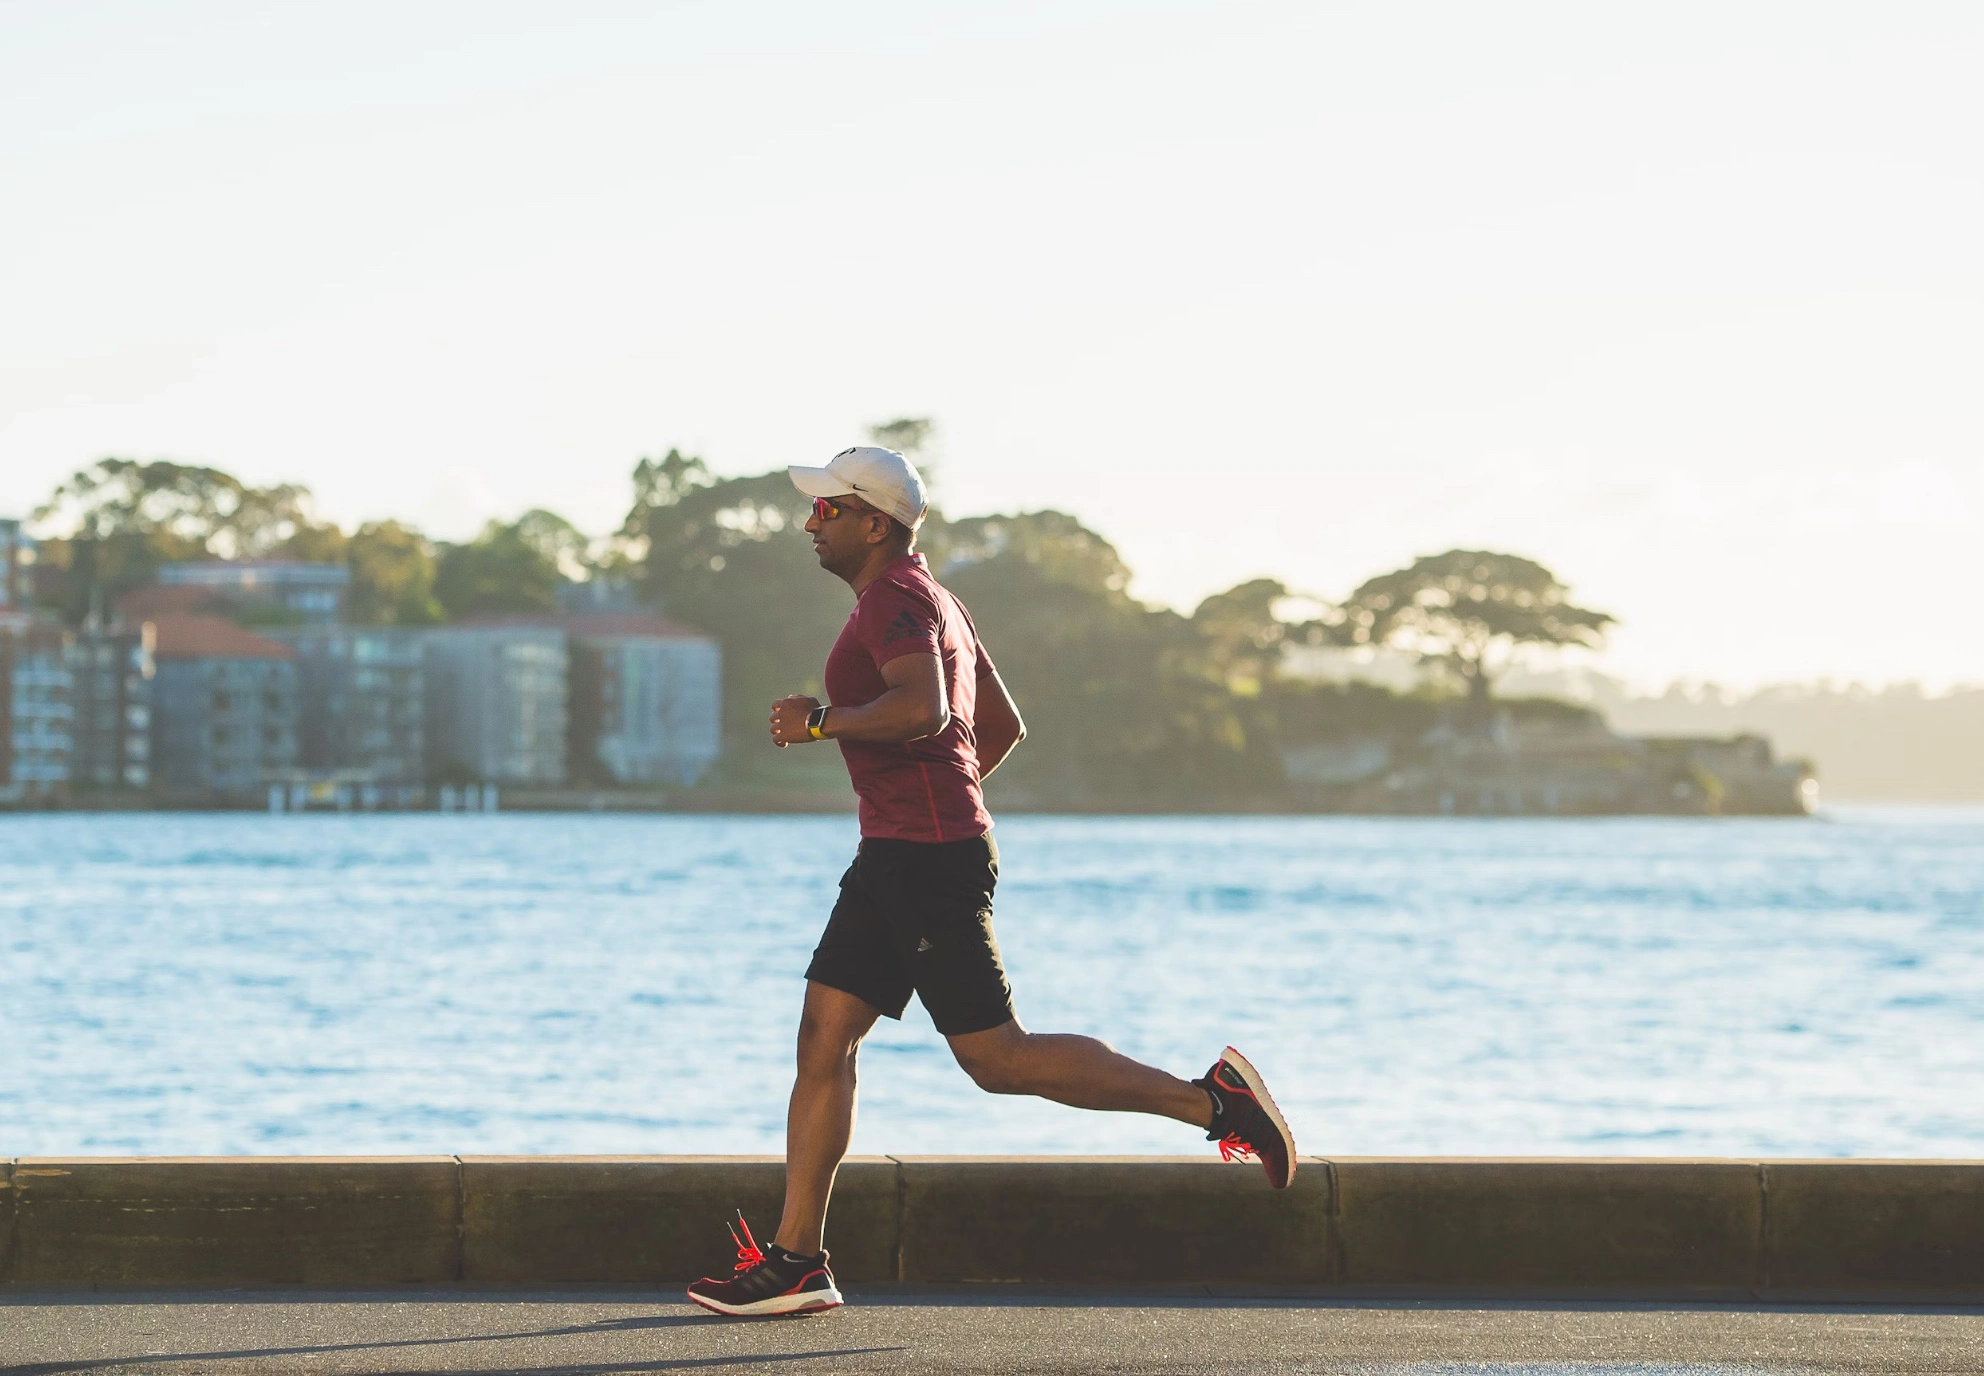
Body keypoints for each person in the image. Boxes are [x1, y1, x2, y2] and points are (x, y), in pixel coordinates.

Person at [686, 447, 1296, 1318]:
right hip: (902, 854)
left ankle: (1215, 1103)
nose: (810, 523)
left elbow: (929, 711)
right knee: (825, 1036)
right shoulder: (937, 600)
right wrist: (939, 798)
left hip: (923, 861)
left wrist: (825, 723)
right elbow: (999, 726)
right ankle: (797, 1261)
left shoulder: (898, 600)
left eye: (827, 510)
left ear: (874, 521)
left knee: (997, 1058)